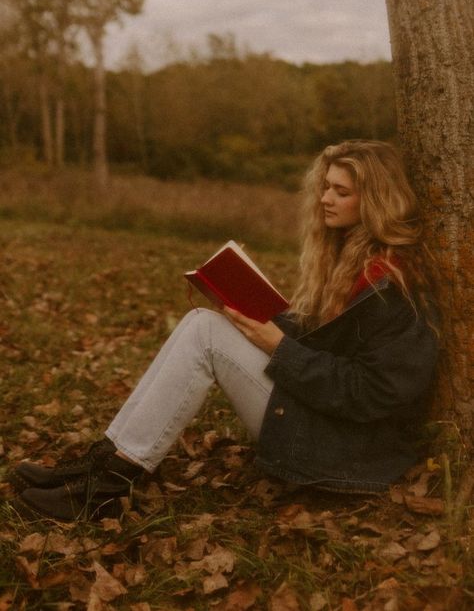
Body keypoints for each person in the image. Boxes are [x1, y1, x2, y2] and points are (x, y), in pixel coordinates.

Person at [8, 140, 440, 521]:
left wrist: (279, 346)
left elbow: (374, 394)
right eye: (325, 186)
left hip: (348, 450)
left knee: (205, 335)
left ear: (376, 200)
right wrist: (248, 300)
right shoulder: (350, 255)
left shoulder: (394, 282)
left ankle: (107, 486)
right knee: (204, 322)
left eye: (340, 191)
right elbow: (325, 339)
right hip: (323, 418)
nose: (325, 198)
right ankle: (105, 463)